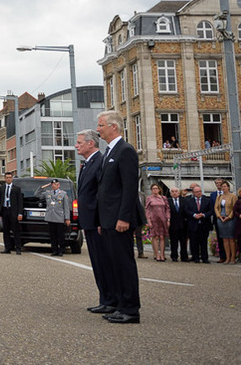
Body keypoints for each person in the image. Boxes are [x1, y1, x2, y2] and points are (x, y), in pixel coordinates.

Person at [95, 110, 143, 324]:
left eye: (101, 125)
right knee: (114, 264)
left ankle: (131, 309)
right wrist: (101, 221)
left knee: (124, 264)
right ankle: (120, 305)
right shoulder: (109, 152)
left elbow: (129, 188)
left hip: (119, 220)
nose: (98, 129)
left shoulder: (125, 151)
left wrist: (124, 217)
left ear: (113, 126)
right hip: (108, 220)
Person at [75, 129, 116, 314]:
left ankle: (110, 299)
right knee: (97, 263)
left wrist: (100, 220)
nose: (76, 145)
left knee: (104, 262)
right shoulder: (87, 163)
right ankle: (105, 298)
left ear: (91, 144)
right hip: (89, 221)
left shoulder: (99, 162)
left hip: (97, 221)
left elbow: (101, 194)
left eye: (79, 142)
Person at [185, 183, 213, 264]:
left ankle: (205, 257)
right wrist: (194, 215)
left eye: (200, 191)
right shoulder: (189, 201)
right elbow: (186, 210)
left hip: (204, 224)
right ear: (193, 193)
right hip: (193, 224)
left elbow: (211, 210)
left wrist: (203, 215)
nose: (199, 193)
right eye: (197, 192)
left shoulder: (207, 200)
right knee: (194, 242)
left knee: (203, 242)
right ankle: (196, 257)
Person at [43, 179, 71, 256]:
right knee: (52, 235)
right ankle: (54, 250)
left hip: (59, 217)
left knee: (60, 235)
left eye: (55, 184)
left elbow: (66, 207)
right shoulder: (48, 192)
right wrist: (46, 186)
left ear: (58, 185)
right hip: (51, 217)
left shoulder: (63, 194)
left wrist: (67, 218)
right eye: (52, 184)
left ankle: (61, 250)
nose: (53, 186)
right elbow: (38, 193)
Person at [0, 172, 23, 255]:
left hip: (14, 212)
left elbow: (20, 202)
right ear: (5, 178)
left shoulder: (17, 188)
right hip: (5, 210)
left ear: (12, 178)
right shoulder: (2, 188)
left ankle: (18, 248)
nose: (8, 179)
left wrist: (20, 213)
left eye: (10, 177)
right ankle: (7, 248)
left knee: (16, 231)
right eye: (7, 177)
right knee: (6, 230)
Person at [144, 184, 170, 261]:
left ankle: (162, 254)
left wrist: (168, 219)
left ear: (159, 190)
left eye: (156, 188)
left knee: (162, 237)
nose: (155, 190)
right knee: (155, 236)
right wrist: (148, 220)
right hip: (153, 219)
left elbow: (167, 209)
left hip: (163, 219)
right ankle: (157, 254)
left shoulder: (163, 198)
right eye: (153, 189)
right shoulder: (149, 198)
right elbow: (147, 210)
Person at [215, 180, 238, 264]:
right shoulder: (219, 196)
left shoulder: (233, 196)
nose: (223, 188)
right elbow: (216, 207)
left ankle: (233, 257)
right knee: (224, 239)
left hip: (230, 218)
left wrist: (229, 217)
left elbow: (234, 208)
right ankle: (227, 257)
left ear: (228, 187)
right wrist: (219, 216)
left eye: (225, 186)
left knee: (231, 239)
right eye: (222, 186)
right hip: (221, 218)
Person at [167, 187, 189, 262]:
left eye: (176, 191)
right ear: (170, 193)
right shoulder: (168, 201)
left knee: (183, 242)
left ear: (179, 193)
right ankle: (174, 256)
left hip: (183, 224)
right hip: (173, 224)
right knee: (173, 242)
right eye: (172, 191)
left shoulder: (184, 200)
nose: (174, 193)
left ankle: (184, 256)